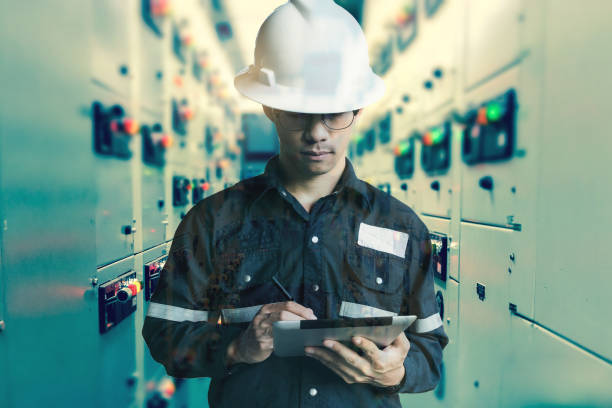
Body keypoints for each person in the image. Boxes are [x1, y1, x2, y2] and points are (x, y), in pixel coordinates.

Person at [142, 1, 448, 407]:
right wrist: (238, 347)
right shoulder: (213, 222)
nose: (317, 133)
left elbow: (430, 349)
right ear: (269, 108)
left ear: (358, 109)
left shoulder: (402, 226)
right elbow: (165, 336)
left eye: (334, 114)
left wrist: (397, 372)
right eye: (298, 114)